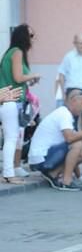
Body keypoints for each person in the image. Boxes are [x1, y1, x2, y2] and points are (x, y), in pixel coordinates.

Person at [28, 89, 82, 191]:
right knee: (77, 145)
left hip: (43, 157)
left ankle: (53, 174)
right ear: (73, 101)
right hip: (41, 159)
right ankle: (66, 182)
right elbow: (71, 139)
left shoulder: (65, 114)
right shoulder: (64, 114)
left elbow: (75, 143)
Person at [0, 24, 39, 183]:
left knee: (10, 137)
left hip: (9, 100)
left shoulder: (11, 52)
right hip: (10, 101)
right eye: (31, 36)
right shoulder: (17, 52)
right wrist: (33, 75)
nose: (33, 39)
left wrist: (29, 79)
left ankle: (8, 172)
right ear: (24, 37)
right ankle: (8, 174)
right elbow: (17, 78)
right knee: (11, 138)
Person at [56, 34, 82, 148]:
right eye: (80, 43)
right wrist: (64, 93)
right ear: (75, 44)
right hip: (73, 90)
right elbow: (61, 75)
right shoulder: (68, 57)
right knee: (72, 118)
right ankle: (73, 144)